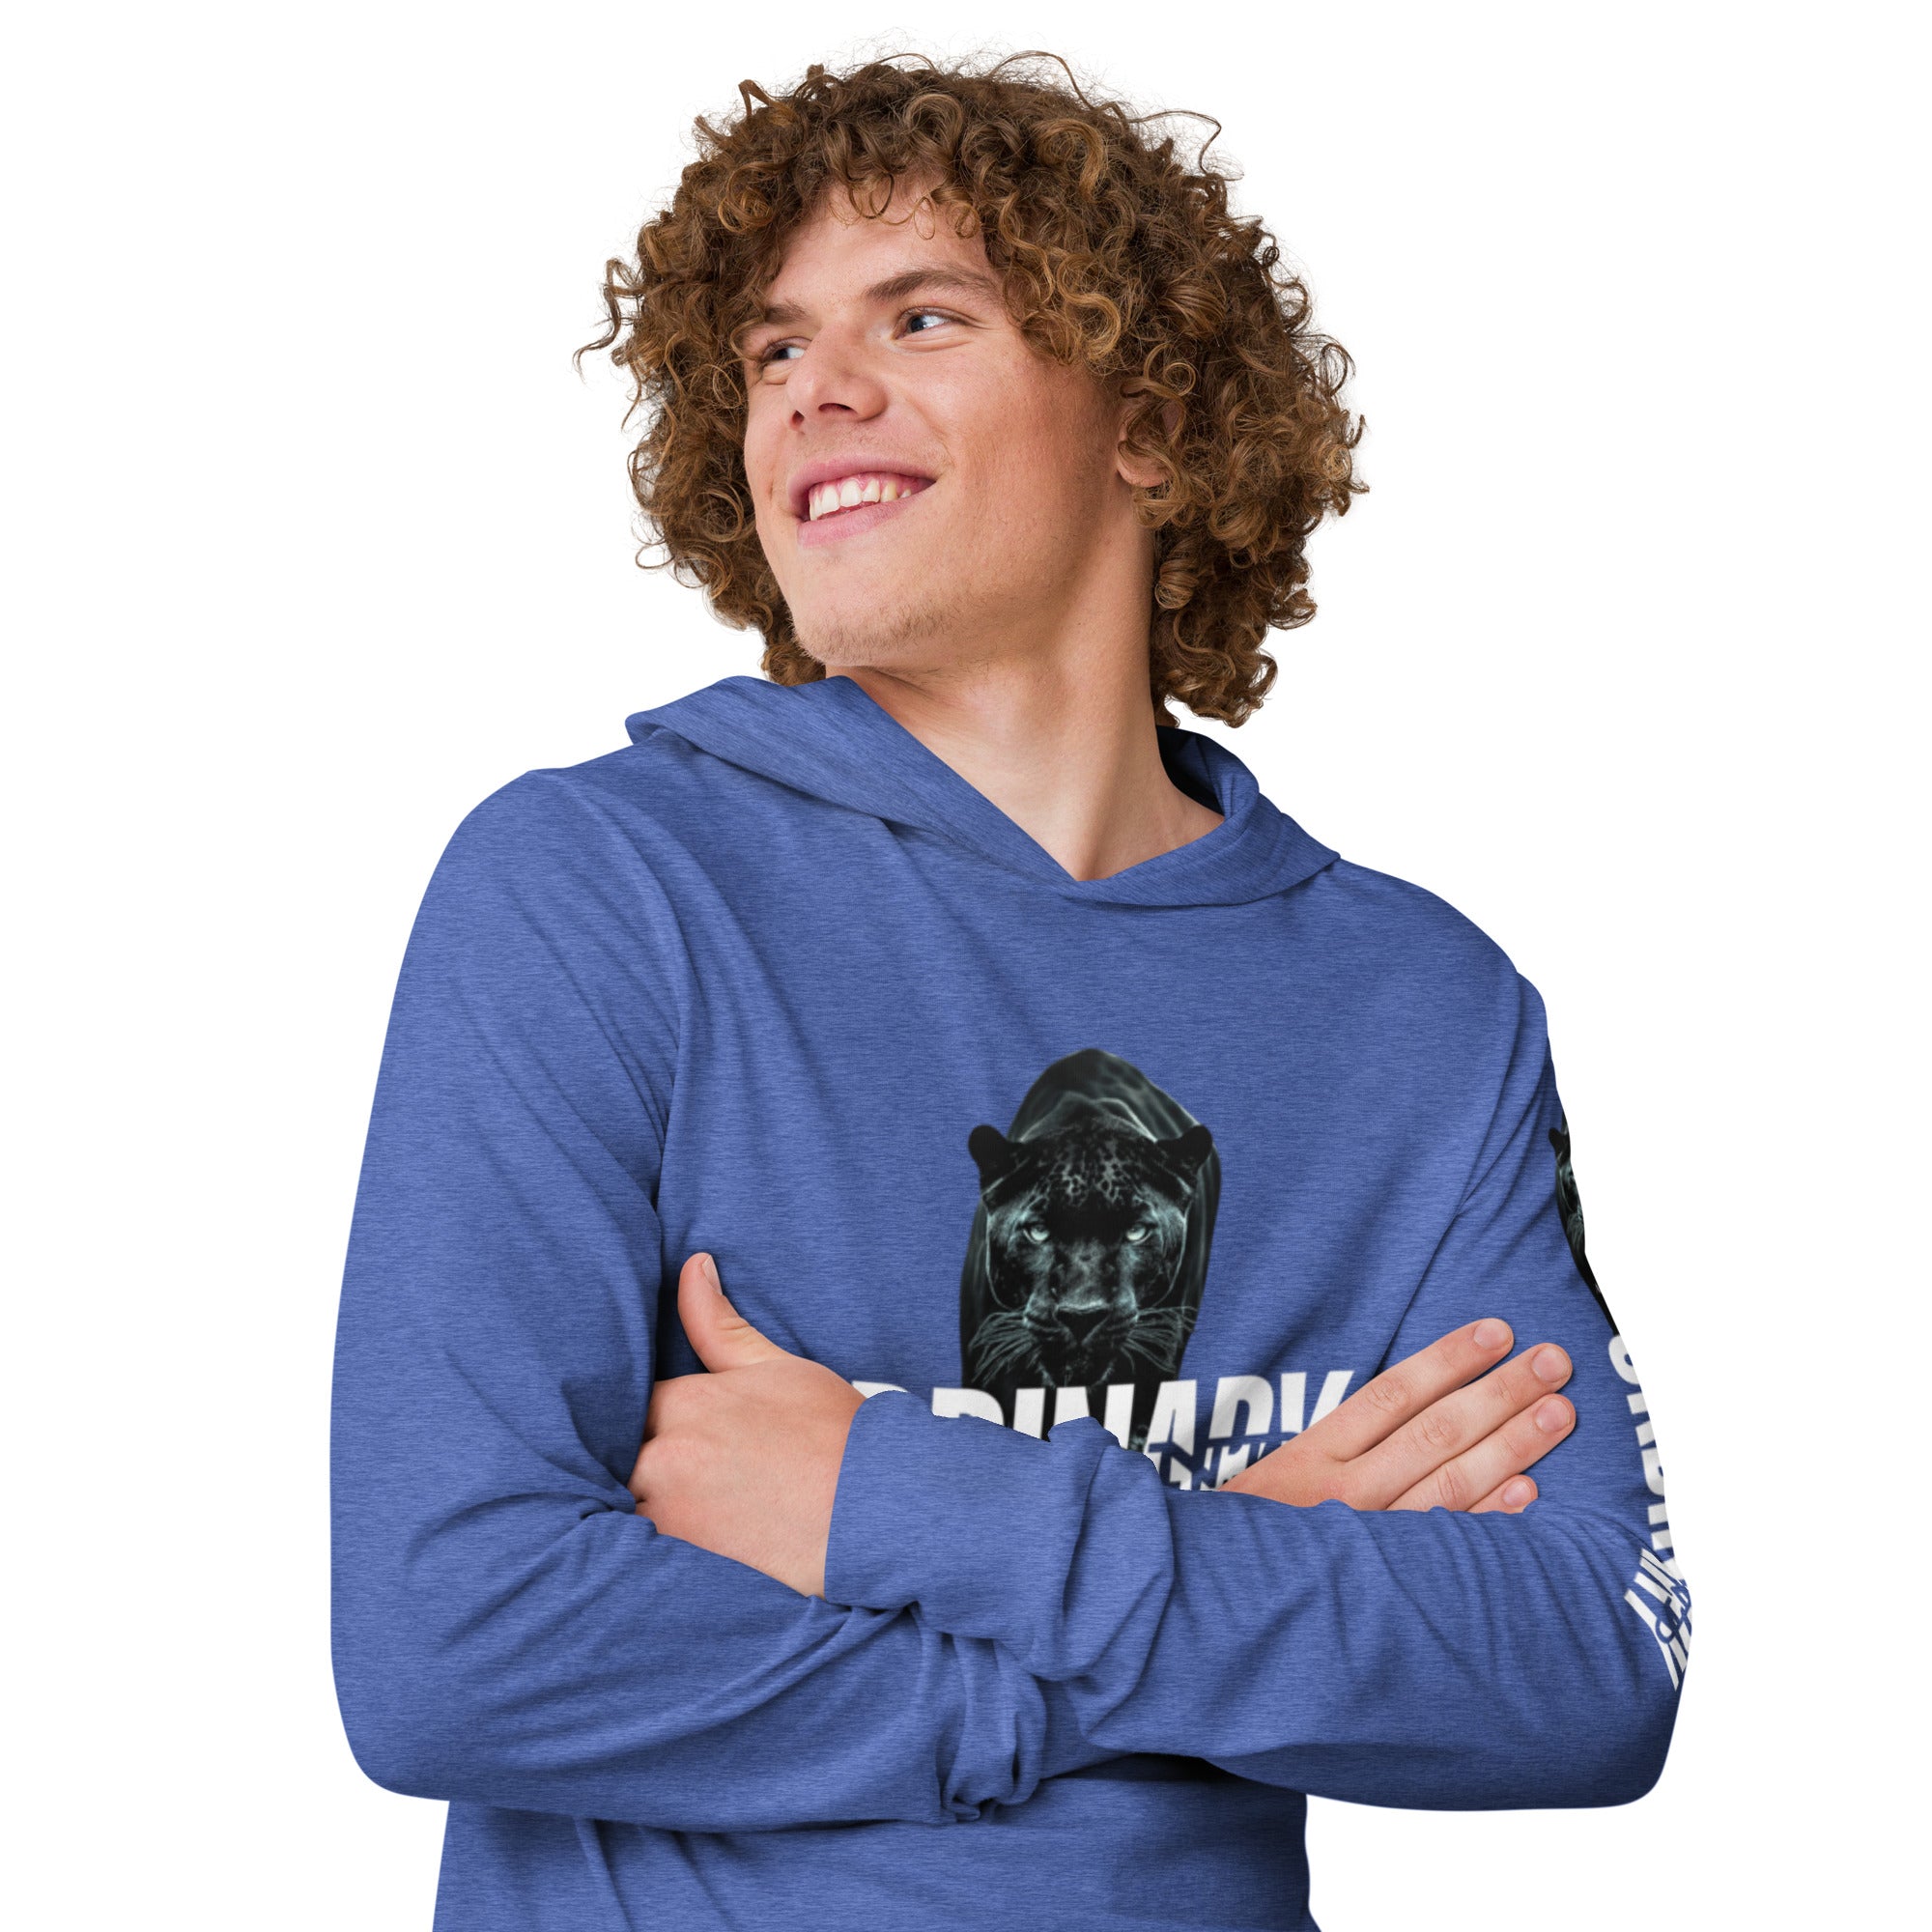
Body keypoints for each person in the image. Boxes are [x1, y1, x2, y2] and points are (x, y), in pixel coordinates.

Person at [330, 52, 1690, 1932]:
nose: (815, 386)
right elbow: (455, 1645)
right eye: (772, 348)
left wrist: (892, 1502)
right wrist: (1222, 1583)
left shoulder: (1419, 1008)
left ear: (1152, 421)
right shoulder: (599, 893)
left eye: (919, 316)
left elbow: (1588, 1660)